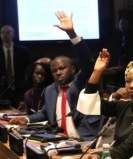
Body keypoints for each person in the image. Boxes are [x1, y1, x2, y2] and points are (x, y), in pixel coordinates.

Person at [9, 11, 103, 141]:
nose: (58, 72)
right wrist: (25, 118)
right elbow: (45, 114)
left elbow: (87, 63)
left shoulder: (82, 83)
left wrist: (72, 34)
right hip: (61, 140)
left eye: (62, 68)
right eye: (54, 70)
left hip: (86, 141)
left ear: (73, 69)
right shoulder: (50, 90)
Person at [0, 25, 31, 108]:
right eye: (3, 33)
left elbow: (29, 69)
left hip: (19, 89)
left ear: (13, 35)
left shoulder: (22, 51)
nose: (5, 35)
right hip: (3, 90)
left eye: (8, 33)